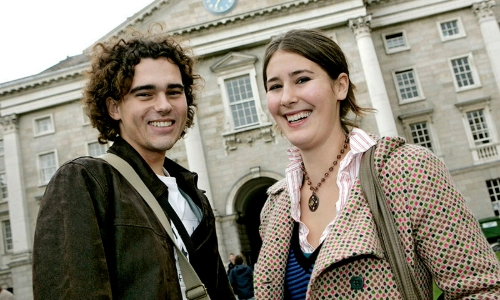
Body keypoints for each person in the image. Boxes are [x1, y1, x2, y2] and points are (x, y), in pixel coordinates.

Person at [254, 28, 500, 299]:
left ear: (340, 86)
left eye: (302, 79)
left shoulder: (407, 170)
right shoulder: (274, 207)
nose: (287, 97)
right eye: (275, 86)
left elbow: (482, 290)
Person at [32, 27, 235, 300]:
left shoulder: (193, 195)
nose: (164, 105)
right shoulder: (85, 181)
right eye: (145, 94)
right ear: (114, 107)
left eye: (174, 92)